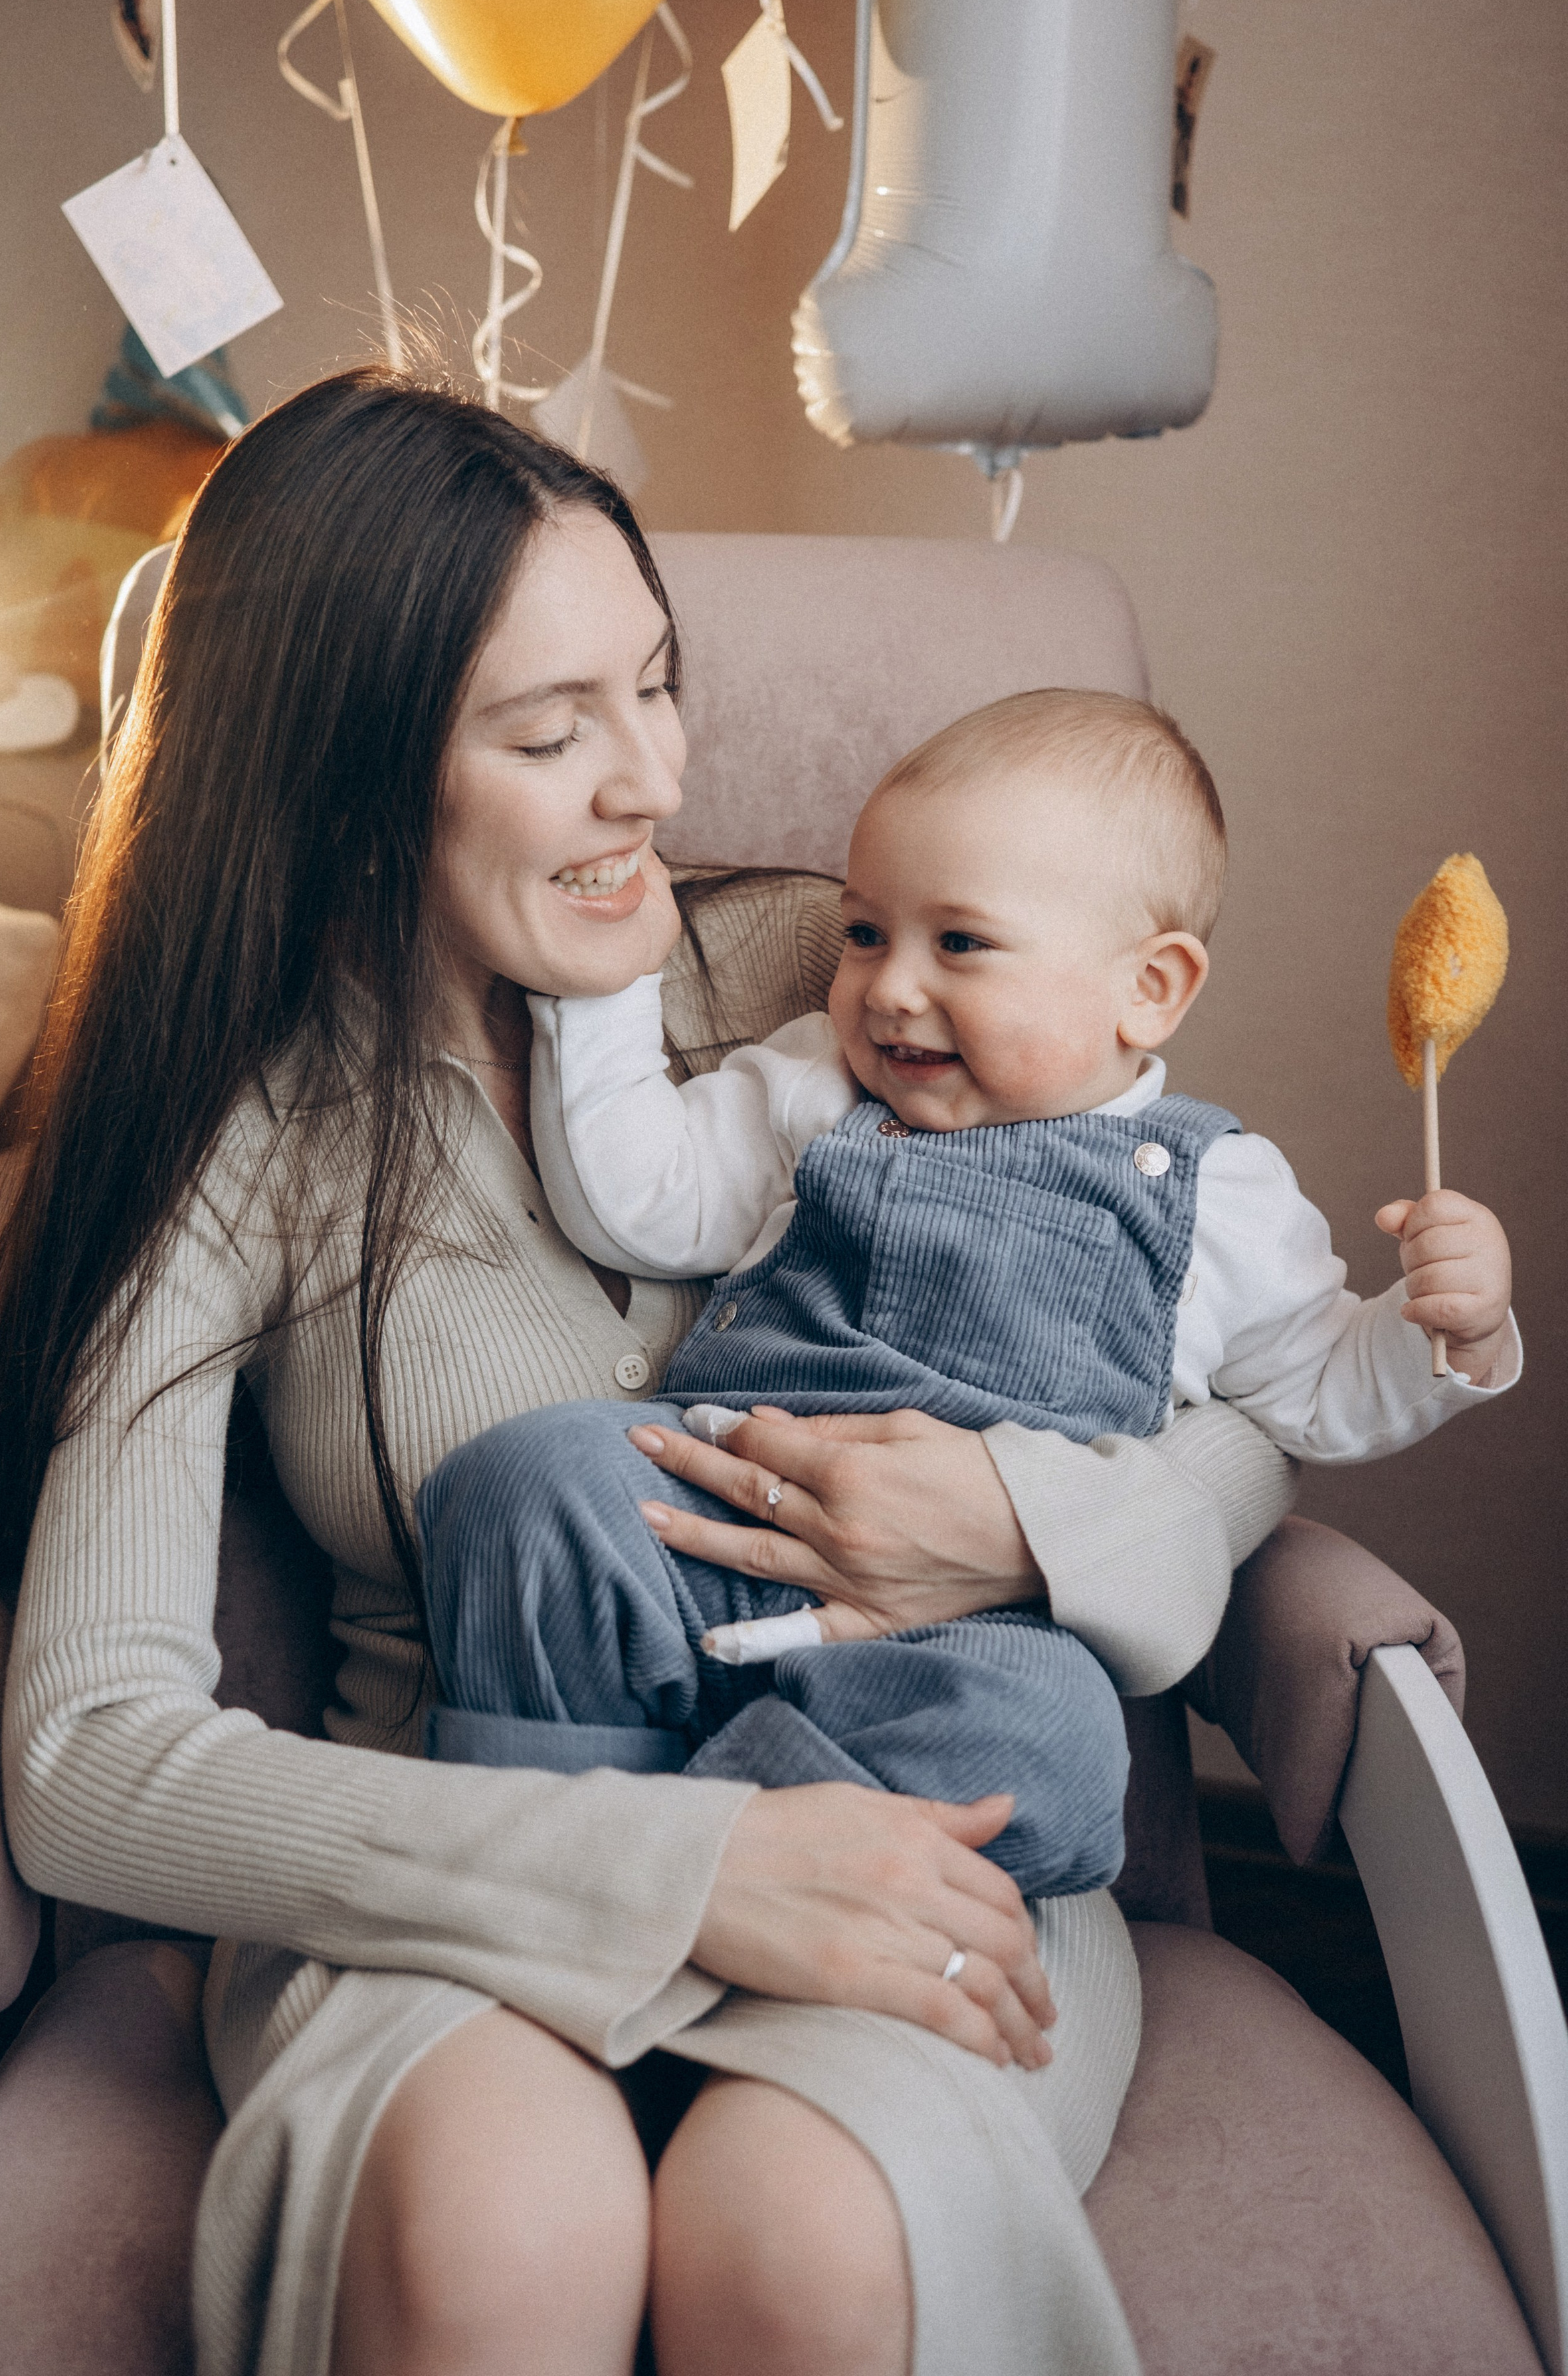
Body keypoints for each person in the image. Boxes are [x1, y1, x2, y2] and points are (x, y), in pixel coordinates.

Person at [0, 370, 1301, 2376]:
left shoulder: (849, 977)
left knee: (804, 2240)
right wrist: (679, 1867)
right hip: (460, 1857)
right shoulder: (230, 1146)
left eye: (656, 687)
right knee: (508, 2228)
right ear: (343, 772)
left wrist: (1033, 1525)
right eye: (549, 729)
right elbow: (85, 1763)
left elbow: (1236, 1360)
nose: (653, 784)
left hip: (924, 1810)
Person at [416, 690, 1519, 1901]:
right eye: (865, 934)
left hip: (969, 1621)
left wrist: (1447, 1331)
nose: (889, 990)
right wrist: (606, 983)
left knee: (1051, 1743)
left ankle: (724, 1850)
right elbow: (642, 1197)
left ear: (1149, 988)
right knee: (526, 1481)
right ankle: (541, 1853)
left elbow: (1317, 1394)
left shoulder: (1220, 1194)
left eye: (961, 945)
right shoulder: (820, 1085)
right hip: (718, 1505)